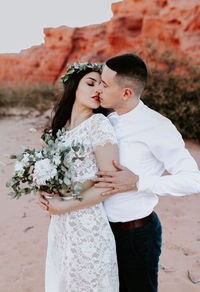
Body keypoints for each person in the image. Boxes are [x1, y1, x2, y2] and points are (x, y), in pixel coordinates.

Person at [40, 54, 200, 292]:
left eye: (105, 84)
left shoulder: (157, 127)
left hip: (135, 235)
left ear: (126, 93)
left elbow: (193, 180)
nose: (99, 89)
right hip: (97, 231)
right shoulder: (104, 119)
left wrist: (139, 182)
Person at [40, 62, 120, 292]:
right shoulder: (60, 131)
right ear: (74, 86)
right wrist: (42, 191)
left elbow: (109, 184)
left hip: (88, 224)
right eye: (91, 83)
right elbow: (50, 174)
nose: (97, 90)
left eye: (102, 86)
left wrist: (66, 206)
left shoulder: (98, 124)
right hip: (60, 227)